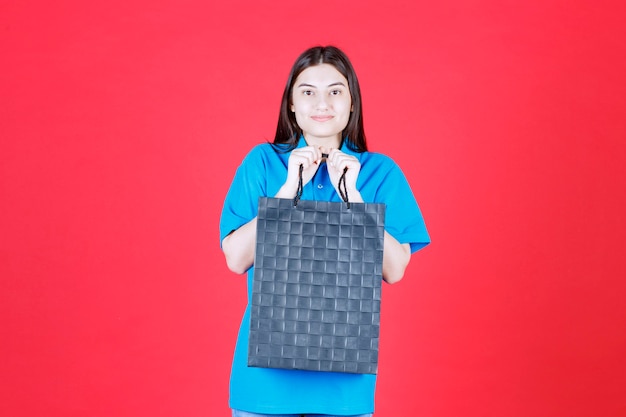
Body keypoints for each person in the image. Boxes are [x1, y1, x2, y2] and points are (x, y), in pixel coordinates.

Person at [220, 45, 430, 417]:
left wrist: (354, 196)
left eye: (335, 91)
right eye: (308, 92)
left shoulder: (381, 172)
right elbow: (236, 259)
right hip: (263, 384)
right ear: (291, 105)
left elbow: (394, 270)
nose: (323, 103)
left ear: (352, 104)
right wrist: (286, 192)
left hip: (345, 387)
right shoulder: (263, 163)